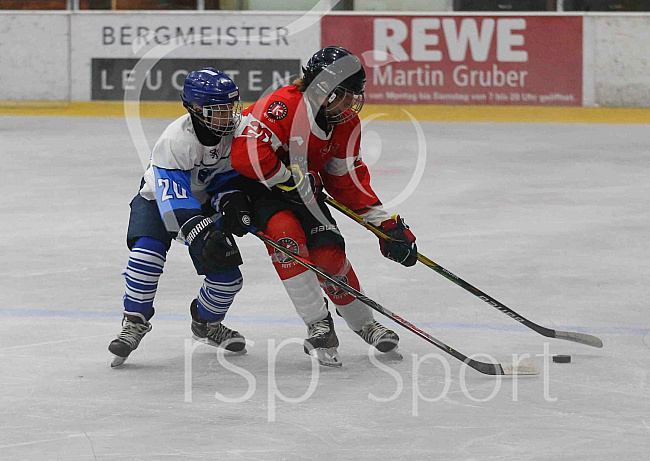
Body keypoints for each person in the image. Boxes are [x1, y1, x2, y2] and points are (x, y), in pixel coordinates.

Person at [228, 46, 418, 367]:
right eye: (341, 95)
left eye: (353, 96)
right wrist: (288, 178)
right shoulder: (282, 107)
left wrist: (385, 225)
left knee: (328, 257)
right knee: (286, 240)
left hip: (303, 189)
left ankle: (365, 323)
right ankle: (318, 323)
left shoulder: (345, 124)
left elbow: (347, 182)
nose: (349, 104)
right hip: (259, 188)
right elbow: (246, 154)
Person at [108, 68, 253, 367]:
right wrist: (200, 229)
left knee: (228, 280)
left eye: (231, 106)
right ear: (196, 109)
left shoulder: (240, 133)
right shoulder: (176, 141)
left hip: (205, 203)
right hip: (157, 200)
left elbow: (236, 180)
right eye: (219, 110)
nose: (229, 115)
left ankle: (206, 323)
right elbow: (174, 202)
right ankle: (134, 321)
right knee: (146, 253)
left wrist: (234, 201)